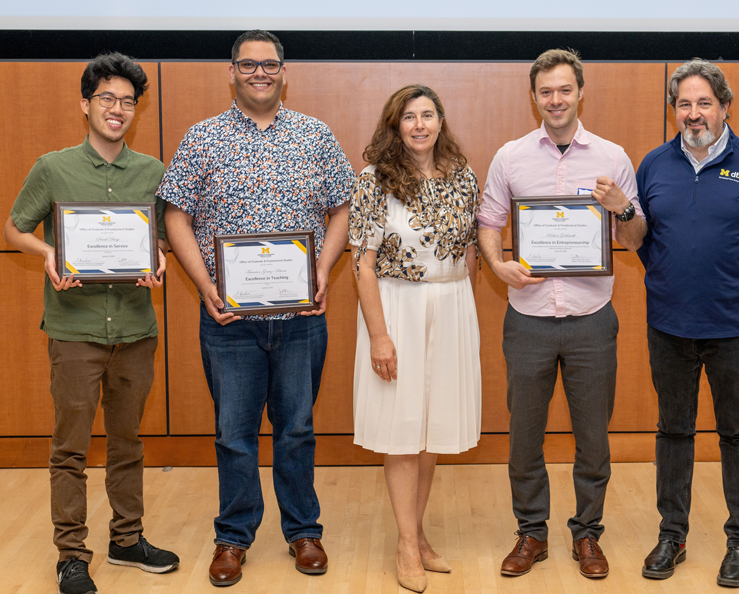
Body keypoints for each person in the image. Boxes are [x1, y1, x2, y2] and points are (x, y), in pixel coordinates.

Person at [157, 30, 355, 587]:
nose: (260, 72)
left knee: (297, 429)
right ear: (233, 72)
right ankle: (232, 537)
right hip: (229, 322)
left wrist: (322, 272)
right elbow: (176, 215)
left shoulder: (315, 136)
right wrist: (205, 287)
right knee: (233, 433)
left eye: (269, 64)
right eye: (249, 64)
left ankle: (303, 531)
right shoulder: (202, 138)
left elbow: (341, 209)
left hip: (299, 321)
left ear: (284, 72)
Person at [3, 53, 178, 594]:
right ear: (86, 104)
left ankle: (127, 539)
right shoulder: (53, 167)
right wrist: (49, 254)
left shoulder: (152, 171)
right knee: (70, 448)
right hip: (74, 330)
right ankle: (71, 555)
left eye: (127, 101)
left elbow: (167, 238)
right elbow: (14, 229)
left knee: (128, 442)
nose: (118, 109)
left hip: (134, 328)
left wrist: (162, 257)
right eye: (107, 98)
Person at [477, 48, 646, 580]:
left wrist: (622, 205)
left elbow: (637, 238)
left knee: (593, 437)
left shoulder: (613, 157)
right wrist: (498, 264)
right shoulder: (510, 157)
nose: (555, 99)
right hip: (526, 317)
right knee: (525, 434)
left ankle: (587, 534)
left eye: (564, 89)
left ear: (580, 92)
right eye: (546, 91)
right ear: (534, 97)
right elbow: (488, 222)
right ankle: (531, 533)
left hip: (592, 317)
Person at [636, 59, 739, 588]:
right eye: (684, 103)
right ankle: (671, 535)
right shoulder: (653, 165)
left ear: (725, 106)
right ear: (673, 110)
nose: (694, 113)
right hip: (669, 327)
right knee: (673, 431)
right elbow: (643, 242)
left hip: (735, 331)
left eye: (704, 102)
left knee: (738, 433)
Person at [349, 84, 481, 593]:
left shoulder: (463, 176)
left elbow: (469, 250)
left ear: (441, 122)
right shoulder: (373, 179)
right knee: (402, 430)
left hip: (451, 306)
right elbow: (361, 263)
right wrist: (379, 336)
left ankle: (418, 533)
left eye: (429, 115)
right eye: (410, 117)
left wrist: (457, 303)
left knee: (432, 430)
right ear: (395, 125)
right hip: (396, 307)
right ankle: (406, 544)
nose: (420, 125)